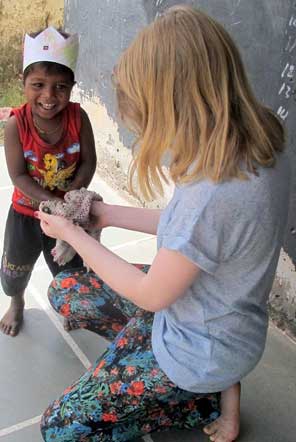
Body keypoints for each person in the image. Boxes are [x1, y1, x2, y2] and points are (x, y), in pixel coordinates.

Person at [37, 5, 290, 442]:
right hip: (222, 322)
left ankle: (199, 399)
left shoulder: (214, 192)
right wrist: (108, 214)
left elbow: (151, 295)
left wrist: (73, 232)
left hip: (197, 349)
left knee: (59, 429)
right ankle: (214, 390)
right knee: (66, 290)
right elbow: (196, 233)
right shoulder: (254, 140)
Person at [0, 27, 97, 337]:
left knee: (70, 269)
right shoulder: (16, 123)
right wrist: (50, 201)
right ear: (23, 82)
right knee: (15, 268)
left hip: (68, 216)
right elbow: (18, 175)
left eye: (60, 87)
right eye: (38, 85)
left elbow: (88, 161)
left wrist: (72, 196)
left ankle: (69, 304)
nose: (49, 97)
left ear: (72, 86)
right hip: (27, 214)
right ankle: (17, 302)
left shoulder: (78, 119)